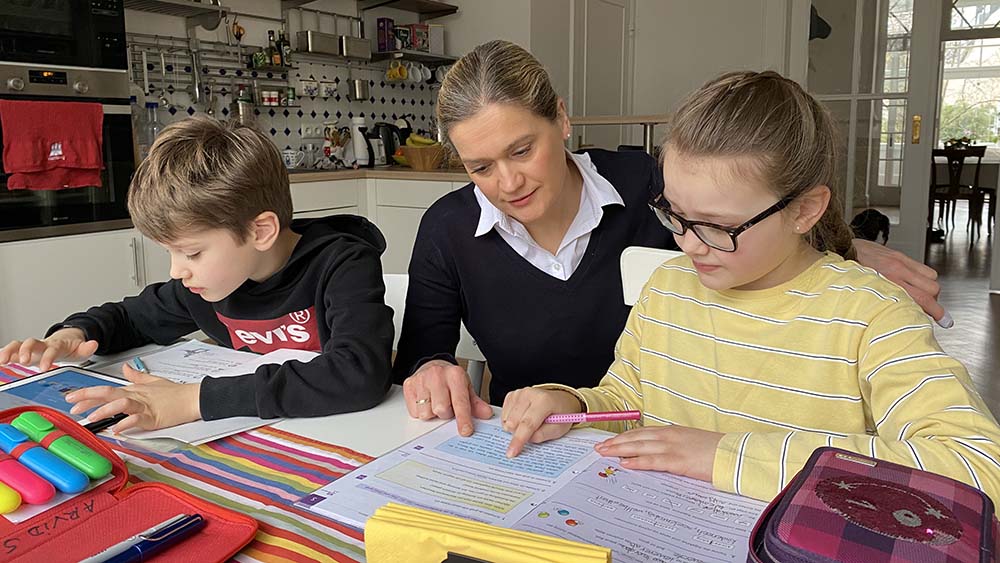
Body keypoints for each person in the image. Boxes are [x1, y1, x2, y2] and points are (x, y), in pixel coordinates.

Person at [393, 40, 948, 438]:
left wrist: (842, 247)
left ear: (562, 120)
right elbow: (425, 353)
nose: (508, 183)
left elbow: (752, 202)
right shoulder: (448, 228)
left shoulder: (646, 182)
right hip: (565, 431)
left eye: (521, 151)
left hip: (679, 437)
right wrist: (430, 369)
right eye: (479, 167)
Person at [500, 71, 1000, 504]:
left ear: (805, 210)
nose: (689, 245)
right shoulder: (669, 288)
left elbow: (976, 469)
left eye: (718, 226)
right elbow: (631, 404)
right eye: (673, 213)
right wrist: (573, 407)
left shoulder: (870, 313)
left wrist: (725, 454)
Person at [0, 117, 394, 432]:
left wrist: (193, 401)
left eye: (191, 252)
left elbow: (359, 374)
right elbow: (127, 317)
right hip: (262, 434)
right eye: (170, 252)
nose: (176, 270)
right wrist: (77, 334)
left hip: (350, 434)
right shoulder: (206, 283)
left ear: (260, 231)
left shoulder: (342, 264)